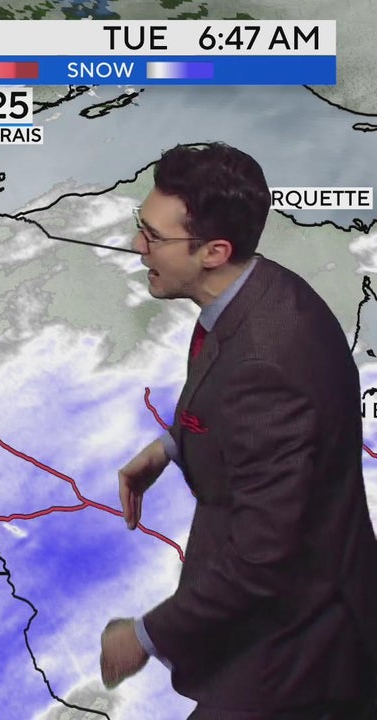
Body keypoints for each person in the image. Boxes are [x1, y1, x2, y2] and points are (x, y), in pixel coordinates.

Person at [99, 142, 377, 718]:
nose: (137, 246)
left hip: (299, 637)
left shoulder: (266, 357)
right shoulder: (255, 293)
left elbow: (261, 556)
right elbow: (242, 408)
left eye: (152, 236)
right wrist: (171, 445)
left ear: (214, 251)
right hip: (287, 614)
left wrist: (144, 637)